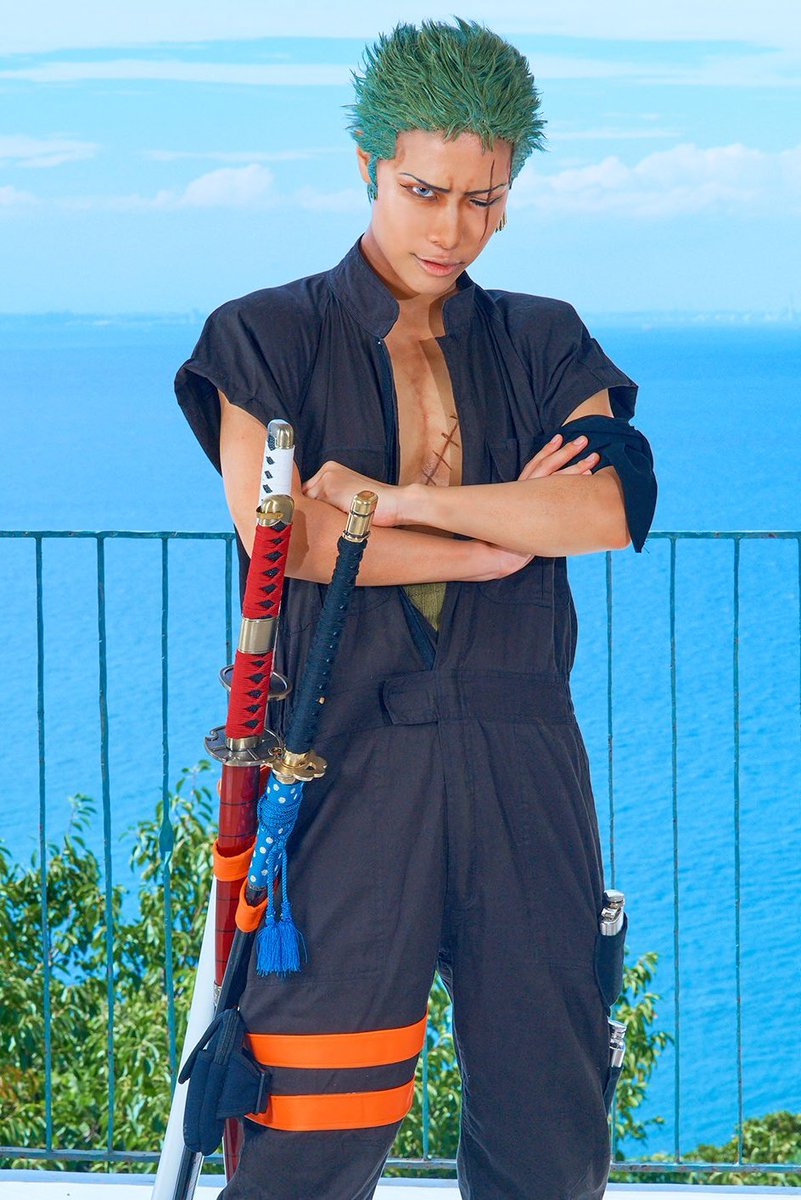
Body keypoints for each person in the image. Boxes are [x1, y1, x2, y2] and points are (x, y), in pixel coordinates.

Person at [175, 17, 656, 1200]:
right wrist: (499, 539)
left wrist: (392, 503)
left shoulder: (545, 337)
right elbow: (282, 539)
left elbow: (604, 509)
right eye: (424, 191)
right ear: (367, 166)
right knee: (306, 1126)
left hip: (525, 757)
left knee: (552, 1131)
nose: (453, 230)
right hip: (340, 757)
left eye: (484, 199)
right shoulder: (263, 335)